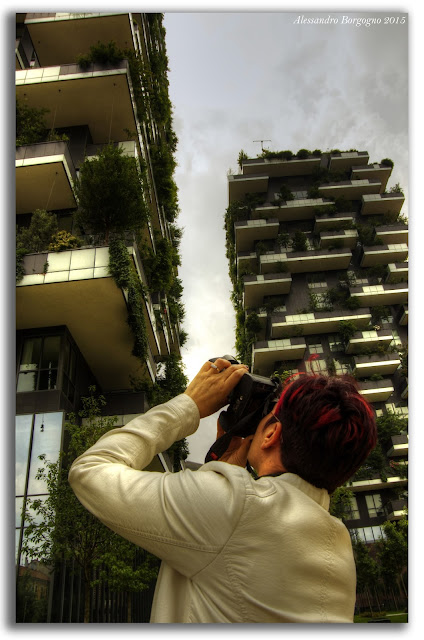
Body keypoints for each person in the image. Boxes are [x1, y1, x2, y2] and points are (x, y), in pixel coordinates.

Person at [69, 357, 377, 623]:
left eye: (267, 416)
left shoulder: (234, 507)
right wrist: (227, 469)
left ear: (271, 433)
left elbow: (90, 471)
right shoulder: (337, 543)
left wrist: (187, 405)